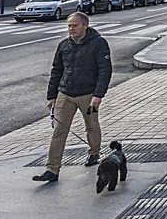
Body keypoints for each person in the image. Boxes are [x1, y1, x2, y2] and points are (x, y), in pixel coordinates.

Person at [32, 11, 112, 183]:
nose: (71, 29)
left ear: (85, 26)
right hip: (65, 93)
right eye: (69, 25)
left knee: (91, 126)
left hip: (88, 94)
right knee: (59, 131)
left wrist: (98, 95)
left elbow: (105, 71)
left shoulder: (98, 44)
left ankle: (94, 153)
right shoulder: (63, 45)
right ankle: (52, 170)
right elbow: (56, 70)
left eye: (75, 25)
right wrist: (51, 96)